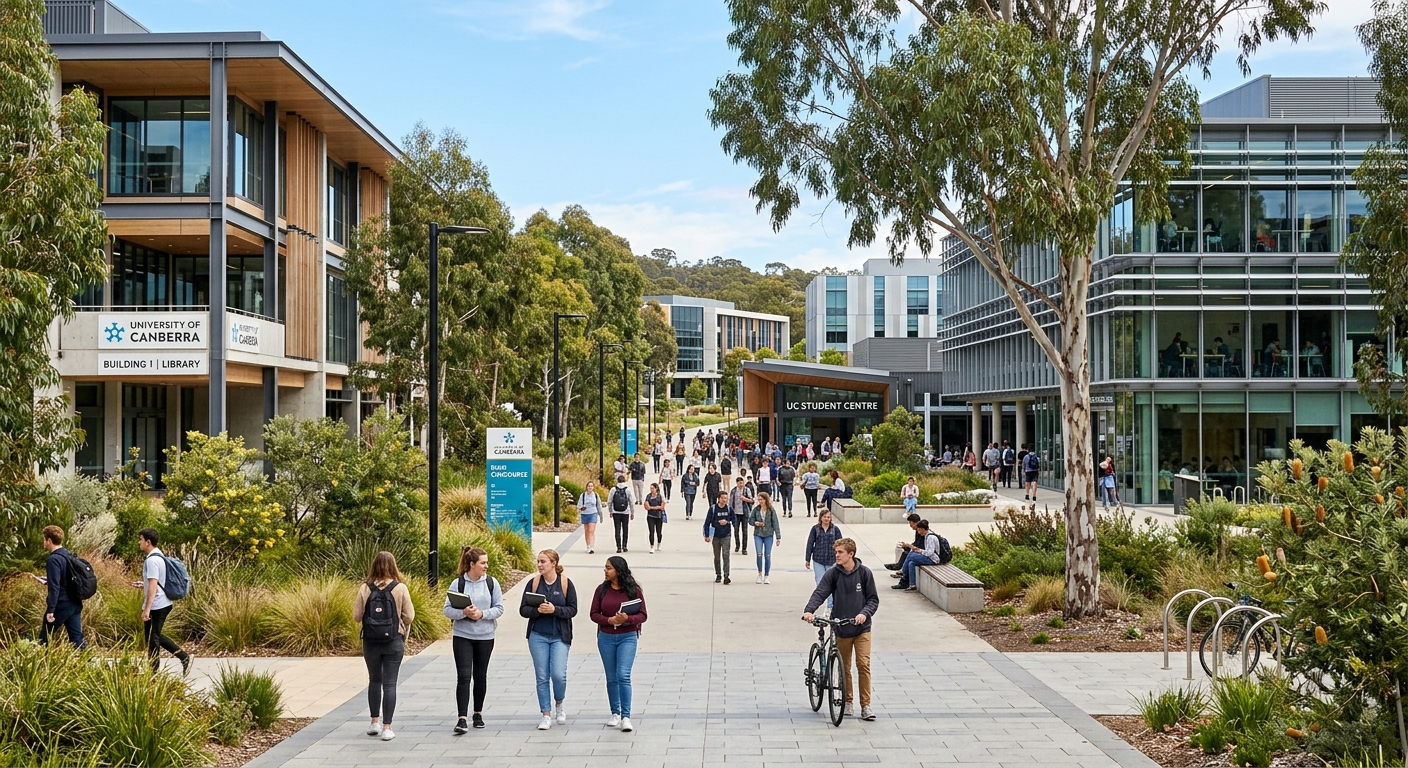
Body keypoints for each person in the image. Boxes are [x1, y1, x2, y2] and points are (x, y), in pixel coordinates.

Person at [801, 538, 878, 720]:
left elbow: (873, 600)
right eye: (836, 552)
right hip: (841, 627)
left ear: (851, 554)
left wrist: (864, 613)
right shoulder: (833, 573)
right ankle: (847, 701)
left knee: (863, 665)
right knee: (844, 667)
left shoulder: (864, 573)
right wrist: (809, 610)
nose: (837, 555)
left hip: (861, 628)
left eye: (840, 552)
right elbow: (820, 592)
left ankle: (866, 706)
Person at [354, 551, 415, 741]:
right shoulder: (400, 588)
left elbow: (356, 616)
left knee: (374, 680)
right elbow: (410, 616)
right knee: (390, 683)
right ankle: (387, 727)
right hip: (393, 641)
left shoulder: (365, 588)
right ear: (393, 565)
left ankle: (374, 722)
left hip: (371, 641)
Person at [442, 546, 504, 733]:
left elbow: (499, 608)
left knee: (480, 675)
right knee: (463, 676)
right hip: (462, 635)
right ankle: (462, 718)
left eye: (487, 562)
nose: (486, 566)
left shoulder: (492, 583)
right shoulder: (458, 584)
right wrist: (463, 612)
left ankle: (478, 713)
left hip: (485, 636)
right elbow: (447, 610)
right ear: (472, 565)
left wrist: (482, 614)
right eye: (483, 563)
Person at [521, 549, 578, 730]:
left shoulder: (565, 583)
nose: (539, 565)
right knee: (542, 676)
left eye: (543, 561)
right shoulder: (534, 583)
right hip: (538, 635)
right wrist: (537, 610)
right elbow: (523, 609)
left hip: (560, 636)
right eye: (538, 561)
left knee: (558, 675)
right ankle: (545, 713)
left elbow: (573, 609)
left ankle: (559, 703)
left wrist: (555, 610)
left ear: (553, 563)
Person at [591, 556, 647, 732]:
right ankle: (615, 712)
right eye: (605, 567)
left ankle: (626, 716)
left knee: (623, 674)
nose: (605, 571)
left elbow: (643, 615)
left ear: (618, 570)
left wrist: (627, 619)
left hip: (627, 636)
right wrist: (609, 619)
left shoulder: (634, 590)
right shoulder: (601, 590)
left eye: (609, 568)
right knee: (611, 677)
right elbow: (594, 614)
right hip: (606, 637)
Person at [136, 528, 191, 675]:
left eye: (141, 539)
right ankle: (182, 656)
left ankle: (153, 672)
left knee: (153, 638)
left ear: (148, 542)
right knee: (152, 636)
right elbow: (157, 581)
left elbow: (153, 586)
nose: (139, 542)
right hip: (162, 602)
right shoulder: (159, 556)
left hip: (158, 605)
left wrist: (147, 609)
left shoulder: (152, 560)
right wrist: (143, 584)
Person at [40, 525, 84, 648]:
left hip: (61, 604)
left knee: (44, 637)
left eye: (44, 539)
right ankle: (88, 662)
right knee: (76, 638)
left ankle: (42, 664)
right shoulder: (69, 555)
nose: (44, 542)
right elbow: (65, 579)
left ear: (49, 540)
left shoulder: (53, 559)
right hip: (75, 603)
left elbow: (55, 587)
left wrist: (51, 610)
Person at [804, 508, 843, 607]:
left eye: (828, 517)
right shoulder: (815, 529)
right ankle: (823, 601)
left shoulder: (835, 529)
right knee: (820, 582)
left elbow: (841, 545)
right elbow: (810, 543)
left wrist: (842, 559)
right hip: (818, 560)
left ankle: (830, 605)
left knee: (832, 583)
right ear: (821, 517)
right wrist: (807, 559)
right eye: (824, 517)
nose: (826, 519)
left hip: (832, 560)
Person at [894, 520, 946, 591]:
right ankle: (912, 585)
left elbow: (930, 553)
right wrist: (918, 550)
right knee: (911, 563)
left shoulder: (930, 537)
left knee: (911, 555)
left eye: (919, 530)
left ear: (922, 529)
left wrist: (920, 551)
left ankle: (903, 573)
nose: (918, 532)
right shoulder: (927, 536)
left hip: (933, 559)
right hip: (930, 557)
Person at [748, 492, 782, 584]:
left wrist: (778, 537)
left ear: (766, 500)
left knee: (767, 555)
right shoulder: (756, 509)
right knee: (759, 554)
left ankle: (766, 575)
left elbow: (775, 523)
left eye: (761, 499)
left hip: (768, 535)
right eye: (759, 500)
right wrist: (756, 523)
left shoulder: (771, 510)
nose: (760, 501)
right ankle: (759, 574)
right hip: (758, 534)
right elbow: (750, 520)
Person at [703, 494, 734, 585]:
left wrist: (727, 522)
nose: (725, 500)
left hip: (726, 535)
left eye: (726, 498)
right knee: (717, 557)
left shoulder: (729, 509)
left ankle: (726, 575)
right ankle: (718, 574)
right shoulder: (713, 509)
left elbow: (734, 519)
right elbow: (707, 523)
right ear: (719, 499)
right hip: (716, 536)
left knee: (726, 555)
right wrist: (707, 535)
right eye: (723, 498)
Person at [729, 475, 756, 555]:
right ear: (737, 483)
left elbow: (752, 501)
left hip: (744, 513)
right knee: (736, 530)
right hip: (736, 513)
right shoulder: (733, 491)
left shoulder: (746, 490)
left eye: (742, 483)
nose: (741, 485)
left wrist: (745, 499)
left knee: (745, 531)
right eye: (739, 483)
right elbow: (730, 502)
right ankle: (737, 545)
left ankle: (744, 548)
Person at [608, 474, 635, 553]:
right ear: (625, 481)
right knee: (625, 529)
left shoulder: (613, 489)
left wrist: (610, 511)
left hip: (616, 512)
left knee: (617, 529)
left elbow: (609, 501)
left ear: (617, 481)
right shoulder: (628, 490)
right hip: (625, 512)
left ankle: (618, 547)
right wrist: (632, 512)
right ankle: (625, 546)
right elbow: (631, 502)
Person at [576, 480, 603, 555]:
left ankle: (592, 547)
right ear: (586, 487)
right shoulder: (583, 495)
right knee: (587, 530)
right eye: (589, 486)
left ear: (593, 487)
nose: (590, 487)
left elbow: (599, 505)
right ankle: (588, 545)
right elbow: (578, 505)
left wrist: (601, 516)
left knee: (591, 530)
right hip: (585, 513)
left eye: (591, 486)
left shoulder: (596, 495)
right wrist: (582, 507)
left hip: (593, 513)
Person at [644, 482, 666, 554]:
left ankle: (659, 543)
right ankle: (652, 546)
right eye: (650, 488)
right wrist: (656, 507)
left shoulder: (660, 496)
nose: (651, 490)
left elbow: (662, 507)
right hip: (650, 516)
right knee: (651, 531)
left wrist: (653, 507)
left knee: (659, 532)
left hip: (658, 516)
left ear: (656, 488)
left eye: (653, 488)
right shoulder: (648, 496)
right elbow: (647, 506)